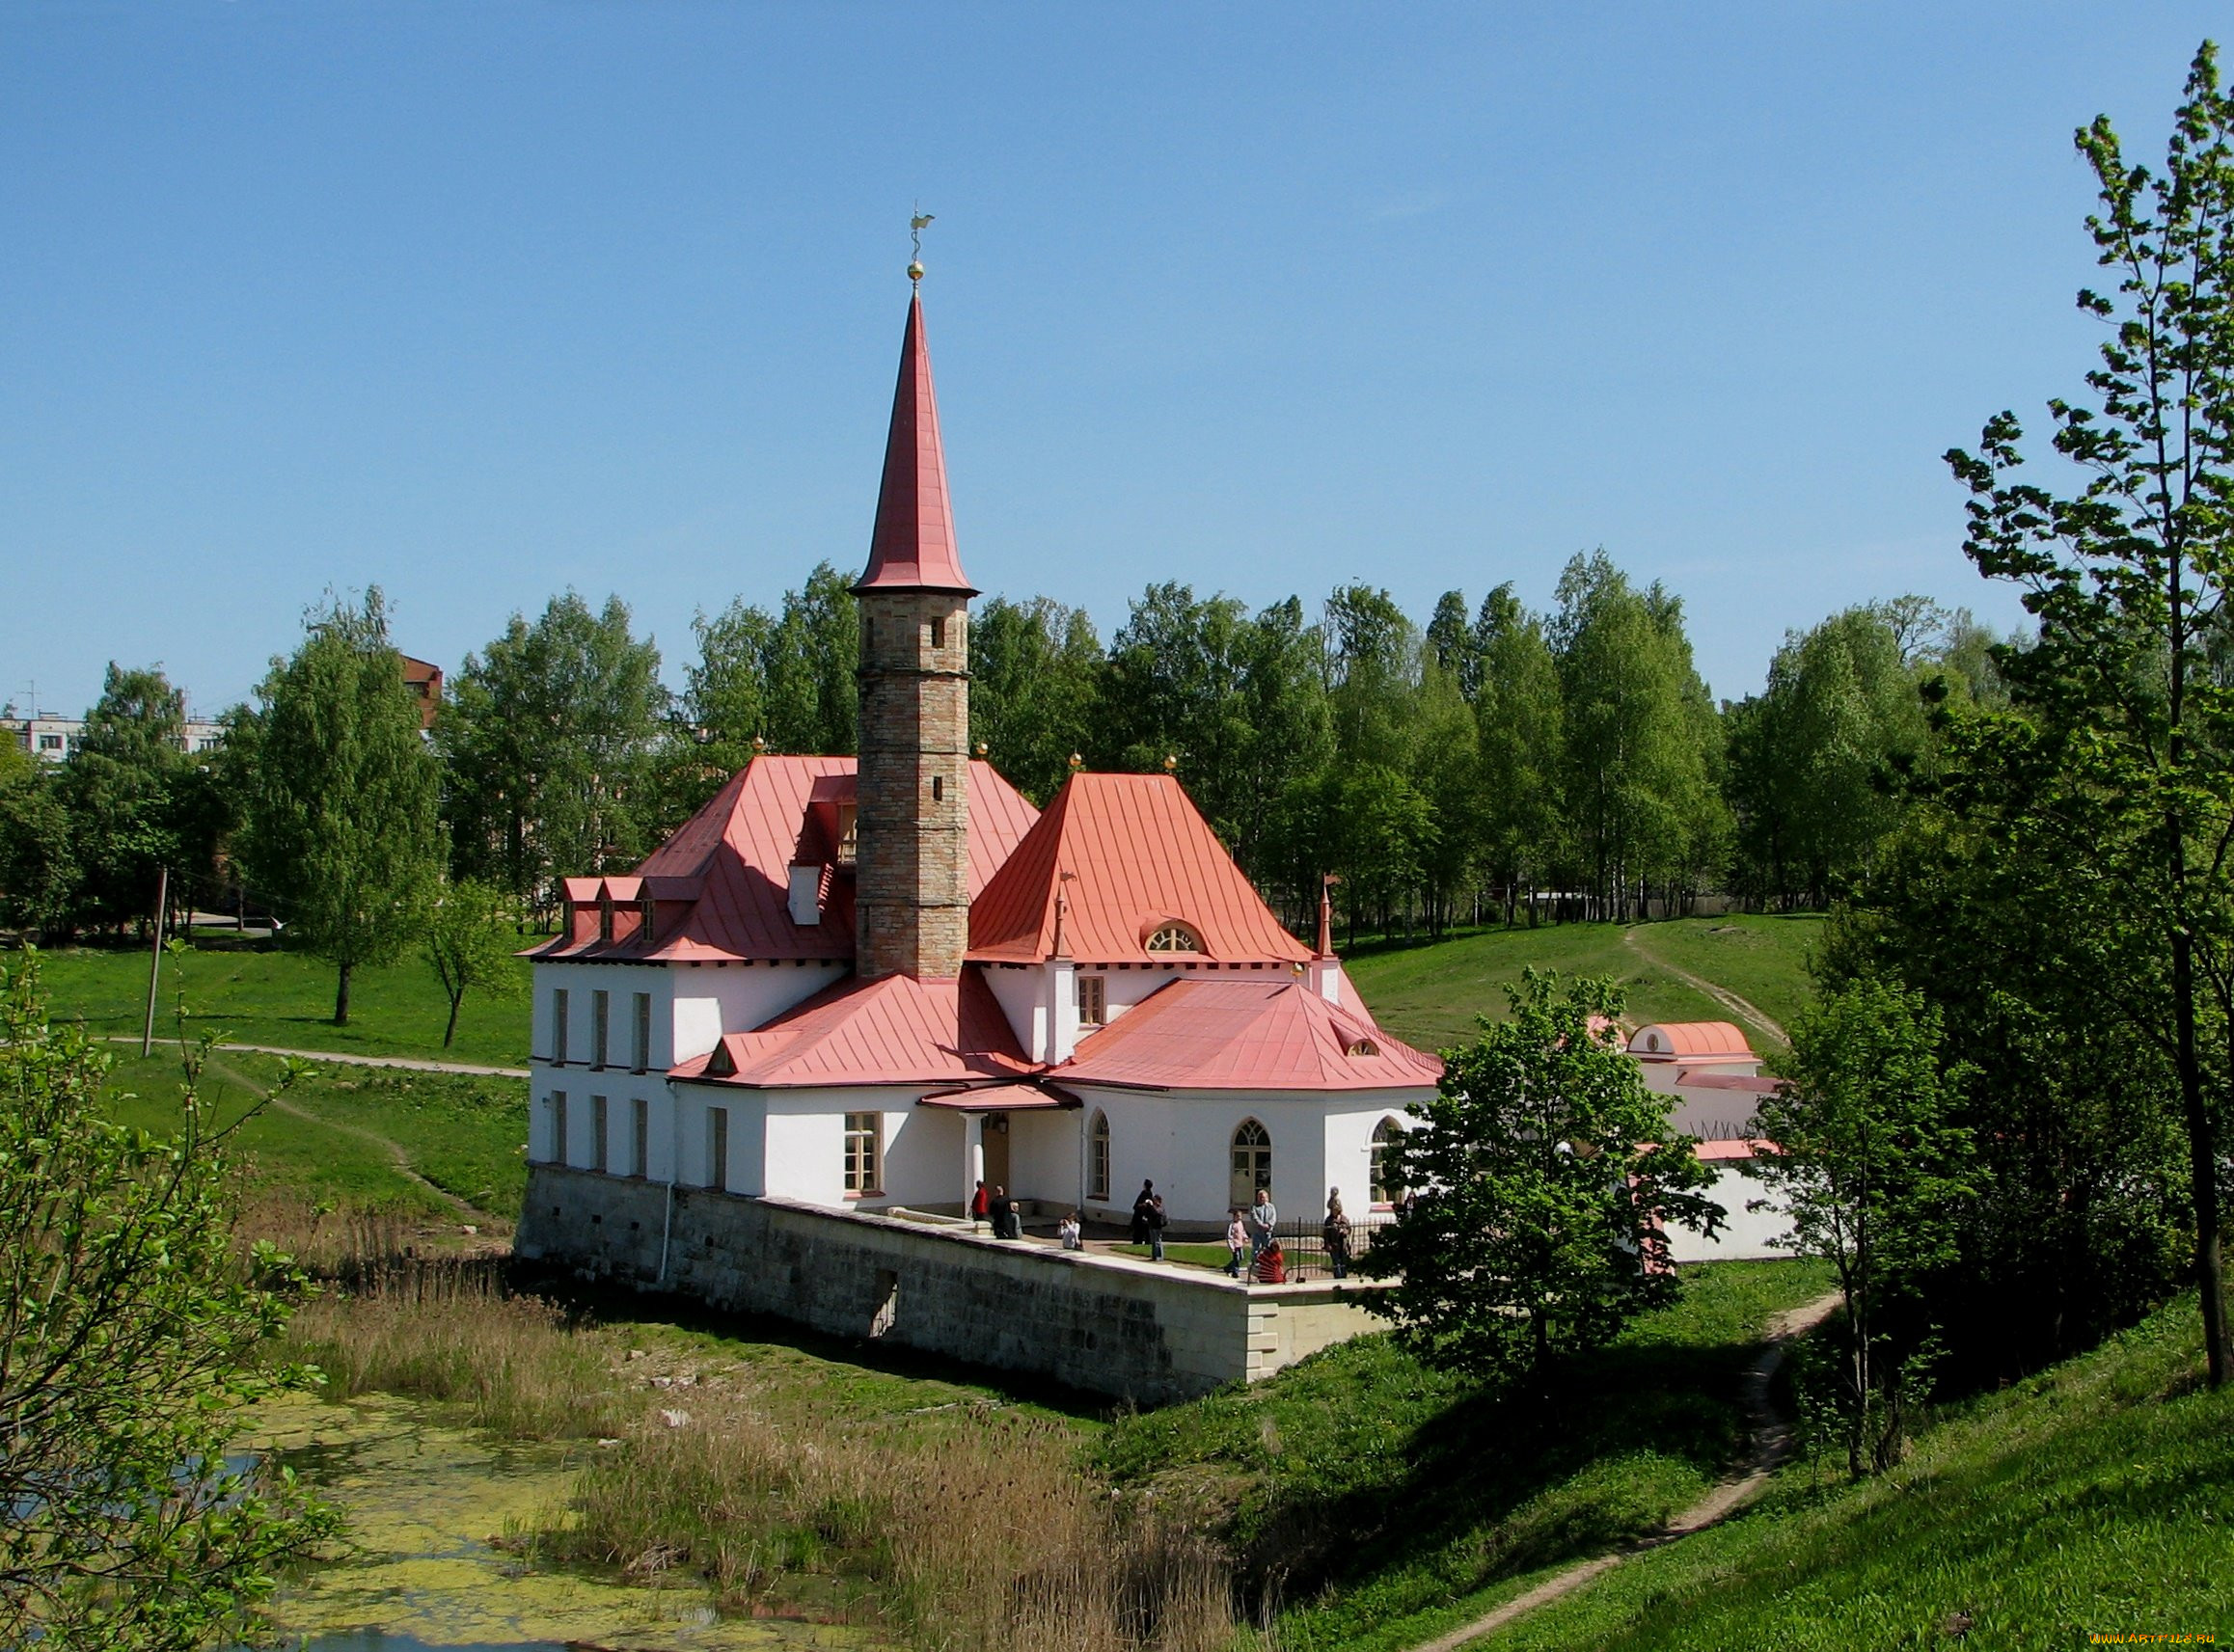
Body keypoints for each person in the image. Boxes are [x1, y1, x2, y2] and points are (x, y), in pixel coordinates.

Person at [1322, 1189, 1352, 1281]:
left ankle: (1344, 1276)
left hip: (1343, 1243)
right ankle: (1338, 1277)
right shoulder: (1329, 1220)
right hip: (1334, 1243)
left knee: (1343, 1260)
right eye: (1333, 1210)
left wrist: (1345, 1231)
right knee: (1336, 1261)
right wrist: (1327, 1244)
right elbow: (1326, 1233)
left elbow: (1349, 1229)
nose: (1334, 1211)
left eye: (1336, 1209)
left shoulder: (1344, 1219)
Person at [1249, 1186, 1278, 1261]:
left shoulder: (1271, 1207)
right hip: (1258, 1231)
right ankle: (1255, 1263)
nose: (1262, 1199)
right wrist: (1261, 1225)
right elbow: (1254, 1217)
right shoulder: (1254, 1207)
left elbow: (1273, 1217)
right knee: (1257, 1248)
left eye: (1263, 1197)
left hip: (1268, 1232)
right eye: (1260, 1197)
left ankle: (1267, 1263)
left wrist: (1269, 1225)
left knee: (1268, 1248)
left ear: (1267, 1198)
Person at [1130, 1179, 1157, 1245]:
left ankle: (1138, 1242)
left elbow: (1139, 1204)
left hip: (1140, 1215)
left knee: (1139, 1231)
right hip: (1144, 1216)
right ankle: (1142, 1241)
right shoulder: (1150, 1194)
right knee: (1144, 1231)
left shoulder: (1145, 1193)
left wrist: (1140, 1206)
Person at [1225, 1208, 1249, 1278]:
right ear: (1234, 1216)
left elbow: (1243, 1231)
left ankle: (1228, 1267)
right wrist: (1231, 1246)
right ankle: (1235, 1272)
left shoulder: (1241, 1223)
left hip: (1240, 1244)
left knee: (1241, 1257)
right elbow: (1229, 1236)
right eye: (1238, 1216)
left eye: (1240, 1216)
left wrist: (1245, 1237)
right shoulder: (1232, 1225)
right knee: (1236, 1259)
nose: (1239, 1217)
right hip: (1235, 1245)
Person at [1147, 1193, 1168, 1261]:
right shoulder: (1153, 1207)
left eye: (1155, 1200)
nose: (1153, 1201)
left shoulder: (1160, 1208)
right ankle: (1154, 1256)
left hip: (1157, 1227)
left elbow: (1156, 1212)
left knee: (1157, 1241)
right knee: (1153, 1242)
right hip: (1152, 1225)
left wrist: (1152, 1206)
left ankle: (1159, 1257)